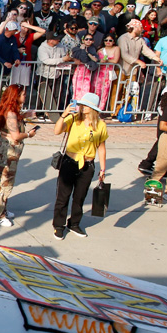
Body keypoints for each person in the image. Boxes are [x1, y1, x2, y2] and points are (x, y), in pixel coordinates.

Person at [51, 92, 108, 240]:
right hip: (70, 162)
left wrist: (103, 169)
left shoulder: (100, 125)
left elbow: (101, 147)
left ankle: (74, 223)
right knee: (63, 196)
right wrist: (63, 115)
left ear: (92, 108)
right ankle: (58, 225)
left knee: (80, 197)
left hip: (87, 165)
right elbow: (57, 131)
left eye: (86, 105)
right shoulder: (74, 119)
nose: (82, 107)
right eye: (82, 105)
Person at [0, 84, 37, 227]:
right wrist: (29, 134)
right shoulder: (10, 113)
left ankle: (1, 208)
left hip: (8, 151)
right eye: (23, 94)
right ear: (15, 96)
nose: (25, 96)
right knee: (4, 183)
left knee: (5, 181)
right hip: (7, 152)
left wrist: (24, 115)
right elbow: (16, 136)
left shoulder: (12, 111)